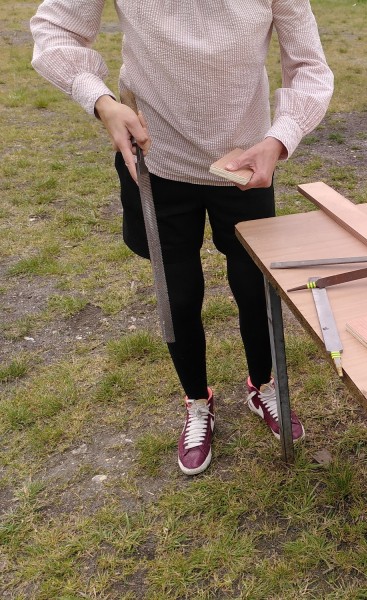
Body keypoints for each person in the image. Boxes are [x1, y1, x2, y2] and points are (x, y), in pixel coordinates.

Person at [30, 0, 334, 475]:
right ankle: (197, 400)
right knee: (178, 294)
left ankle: (263, 386)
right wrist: (101, 101)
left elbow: (310, 67)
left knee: (254, 288)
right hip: (155, 163)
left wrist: (280, 138)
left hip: (245, 165)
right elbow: (54, 28)